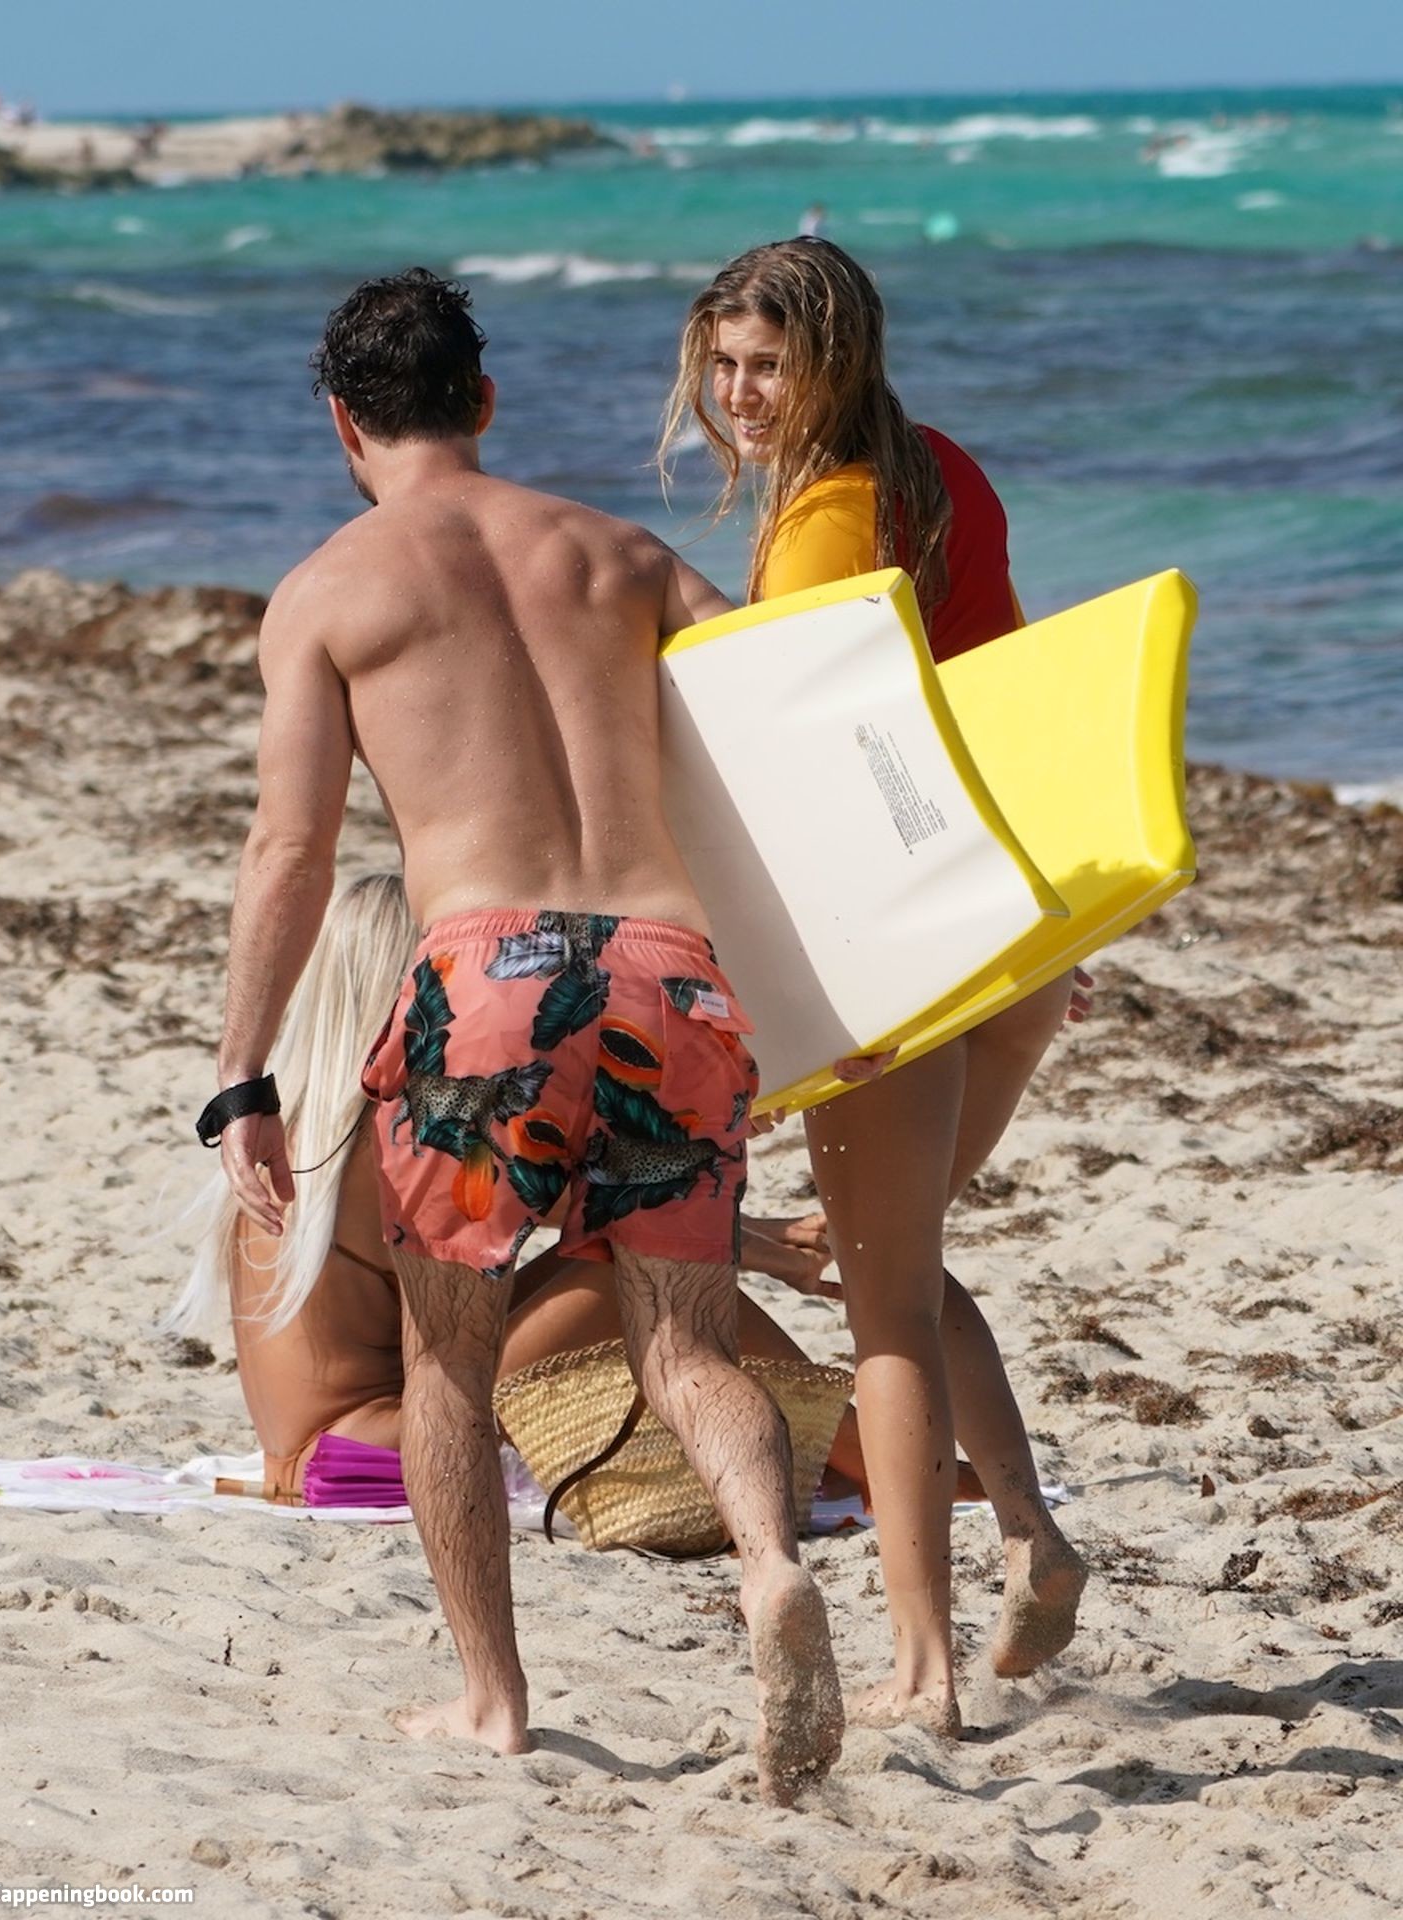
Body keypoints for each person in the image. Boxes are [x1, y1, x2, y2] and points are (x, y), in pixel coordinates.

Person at [205, 267, 848, 1804]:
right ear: (485, 404)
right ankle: (771, 1562)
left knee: (449, 1362)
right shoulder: (625, 556)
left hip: (484, 977)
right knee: (684, 1345)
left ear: (344, 425)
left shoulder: (328, 591)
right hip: (668, 971)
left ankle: (493, 1700)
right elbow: (796, 748)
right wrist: (865, 996)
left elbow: (291, 852)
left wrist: (243, 1076)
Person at [661, 237, 1088, 1736]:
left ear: (834, 361)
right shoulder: (943, 472)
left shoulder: (823, 528)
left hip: (900, 946)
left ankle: (923, 1672)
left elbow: (816, 793)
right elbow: (999, 694)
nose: (738, 395)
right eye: (721, 366)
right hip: (1007, 920)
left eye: (766, 367)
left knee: (883, 1299)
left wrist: (778, 996)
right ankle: (1029, 1534)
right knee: (887, 1257)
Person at [175, 872, 876, 1508]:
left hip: (320, 1450)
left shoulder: (301, 1137)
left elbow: (575, 1198)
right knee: (638, 1277)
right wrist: (760, 1242)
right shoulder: (390, 1134)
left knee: (633, 1263)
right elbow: (596, 1202)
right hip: (364, 1454)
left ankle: (850, 1452)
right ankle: (875, 1462)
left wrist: (758, 1234)